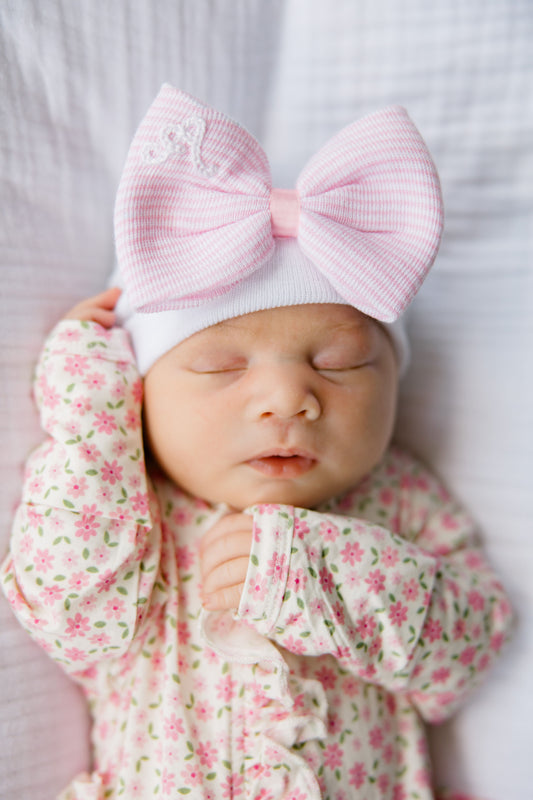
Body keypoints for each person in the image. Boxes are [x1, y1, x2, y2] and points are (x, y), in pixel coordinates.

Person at [1, 86, 513, 800]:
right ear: (140, 392)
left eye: (337, 365)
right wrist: (91, 413)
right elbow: (69, 619)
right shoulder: (130, 512)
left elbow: (467, 654)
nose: (287, 400)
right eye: (221, 366)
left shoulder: (394, 498)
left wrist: (327, 574)